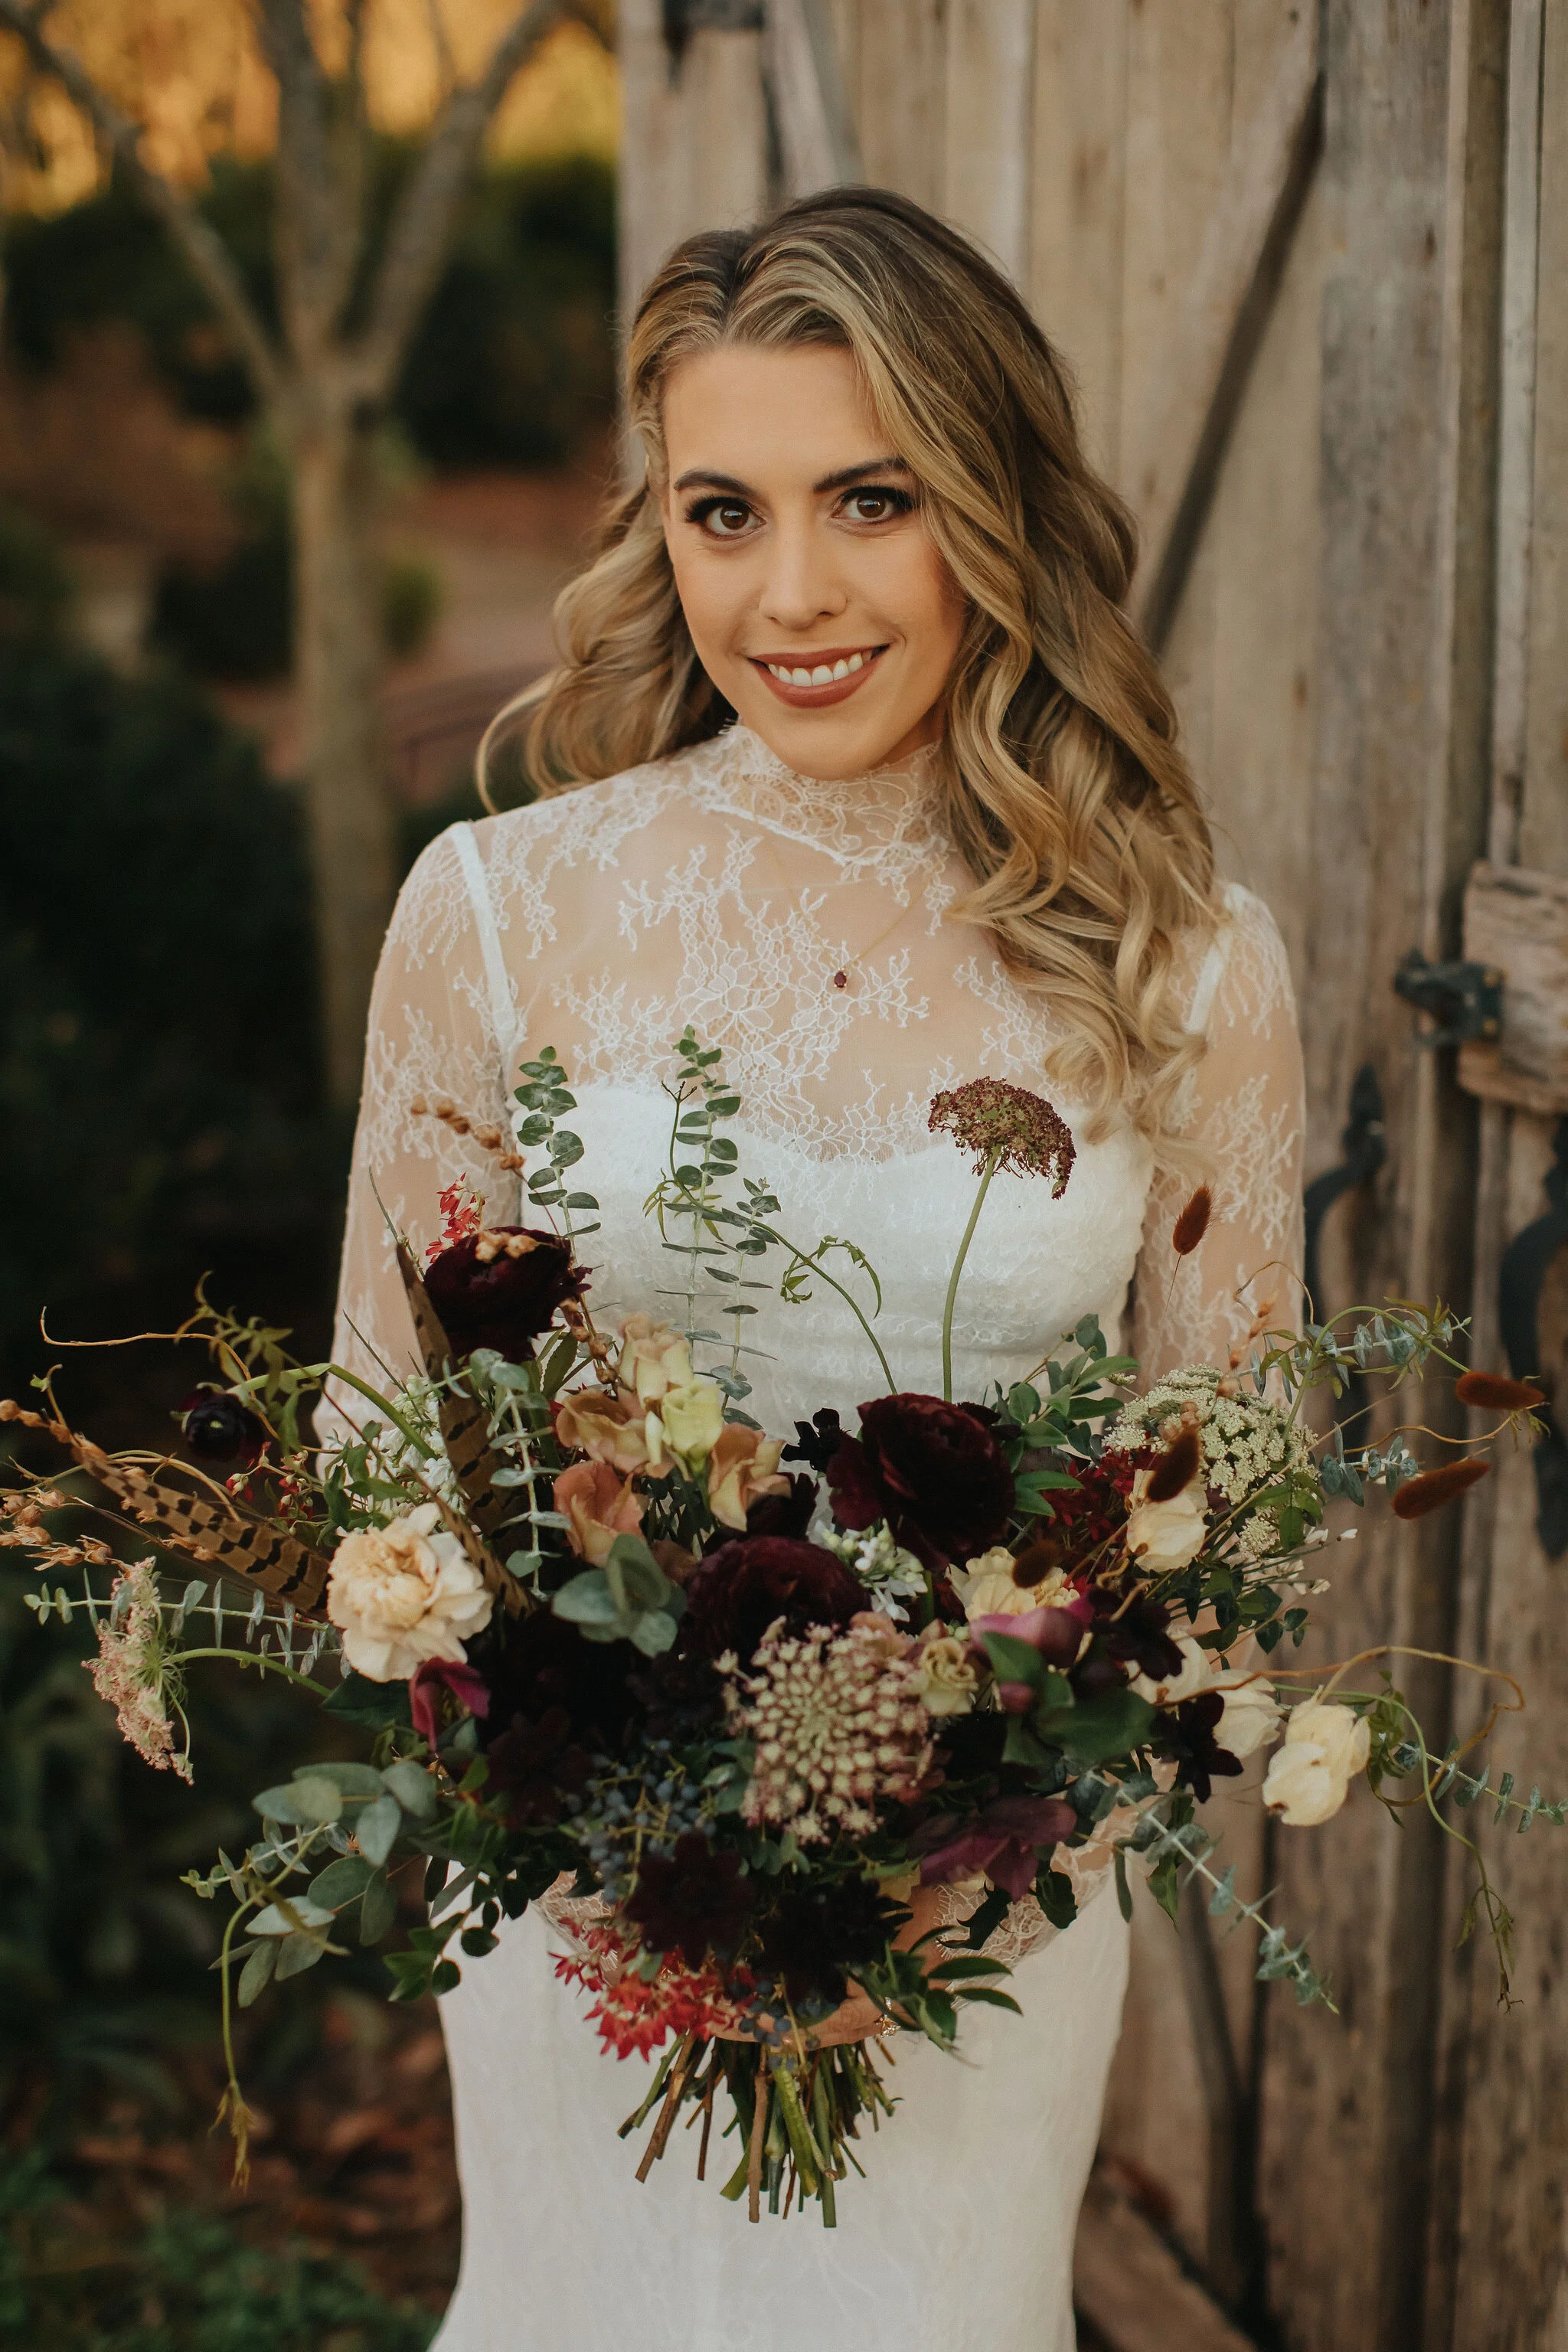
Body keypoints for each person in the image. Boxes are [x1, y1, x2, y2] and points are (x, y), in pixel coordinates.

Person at [332, 185, 1303, 2352]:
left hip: (986, 1923)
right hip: (593, 1892)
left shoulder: (1184, 964)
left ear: (994, 501)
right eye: (721, 511)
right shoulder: (496, 912)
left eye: (872, 500)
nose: (792, 594)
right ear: (654, 534)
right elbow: (381, 1442)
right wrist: (607, 1802)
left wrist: (960, 1820)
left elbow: (1236, 1491)